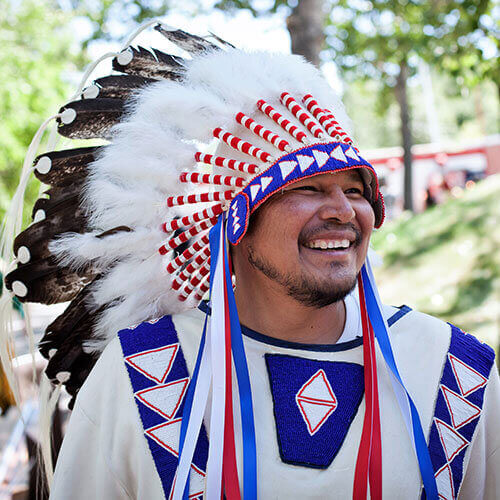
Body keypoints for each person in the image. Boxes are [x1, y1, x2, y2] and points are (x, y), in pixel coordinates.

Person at [3, 25, 498, 500]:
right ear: (233, 221)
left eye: (356, 190)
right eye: (306, 187)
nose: (346, 212)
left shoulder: (455, 372)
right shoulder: (144, 372)